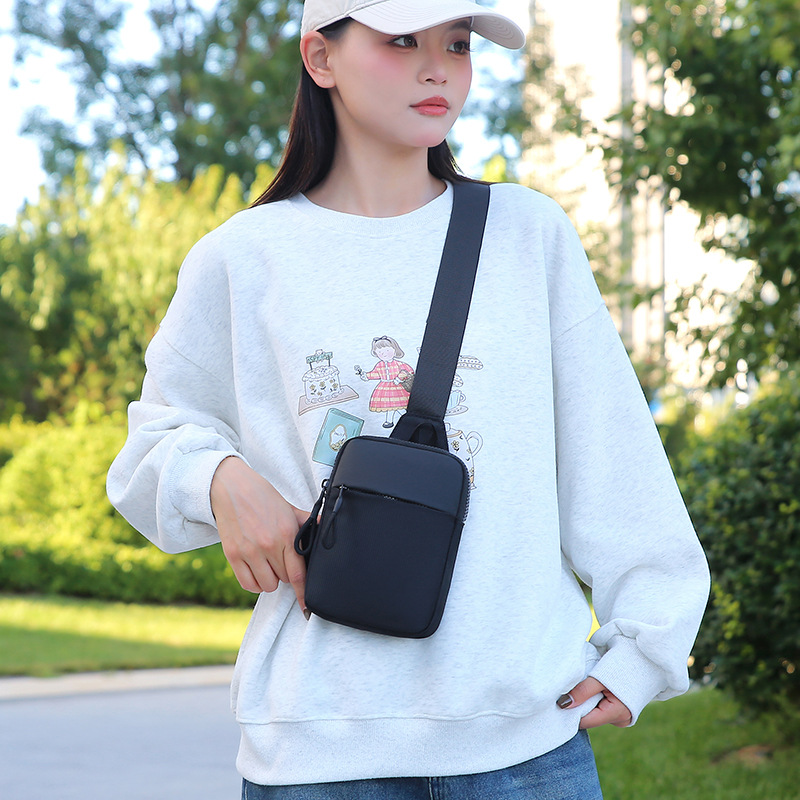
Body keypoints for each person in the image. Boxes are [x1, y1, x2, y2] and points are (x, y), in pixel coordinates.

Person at [107, 0, 710, 796]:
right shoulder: (244, 258)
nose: (438, 69)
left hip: (524, 748)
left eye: (456, 45)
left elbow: (613, 452)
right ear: (320, 59)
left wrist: (645, 648)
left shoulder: (527, 236)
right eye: (401, 40)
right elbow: (148, 450)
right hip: (318, 753)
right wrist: (216, 478)